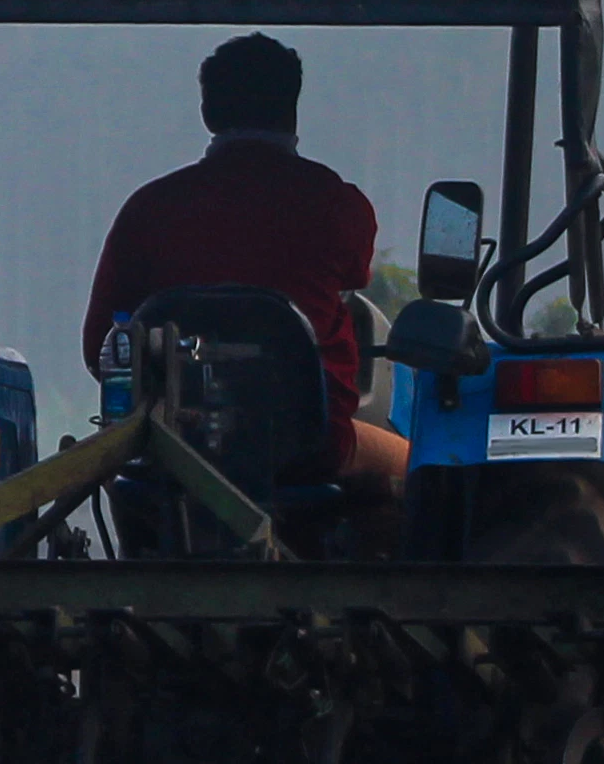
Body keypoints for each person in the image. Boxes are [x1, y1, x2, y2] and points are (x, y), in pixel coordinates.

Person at [82, 32, 410, 491]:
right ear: (292, 107)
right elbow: (355, 276)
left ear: (208, 113)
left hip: (172, 446)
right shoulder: (338, 205)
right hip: (310, 446)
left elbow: (101, 347)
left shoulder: (149, 209)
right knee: (415, 463)